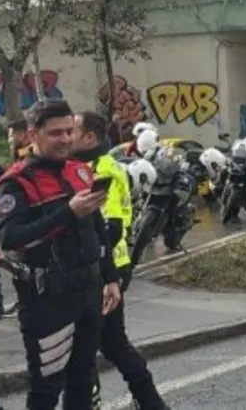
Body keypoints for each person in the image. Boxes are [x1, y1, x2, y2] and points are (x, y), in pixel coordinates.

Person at [0, 99, 121, 409]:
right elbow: (9, 239)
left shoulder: (79, 171)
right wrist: (67, 212)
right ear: (33, 135)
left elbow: (97, 229)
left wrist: (111, 278)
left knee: (82, 381)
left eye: (69, 131)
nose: (65, 139)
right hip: (46, 299)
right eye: (55, 134)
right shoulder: (15, 183)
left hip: (88, 292)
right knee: (46, 388)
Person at [73, 111, 168, 410]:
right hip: (104, 268)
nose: (66, 136)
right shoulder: (85, 166)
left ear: (90, 137)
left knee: (87, 347)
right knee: (112, 342)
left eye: (71, 131)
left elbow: (111, 228)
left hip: (105, 270)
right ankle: (151, 402)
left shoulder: (103, 171)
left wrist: (101, 270)